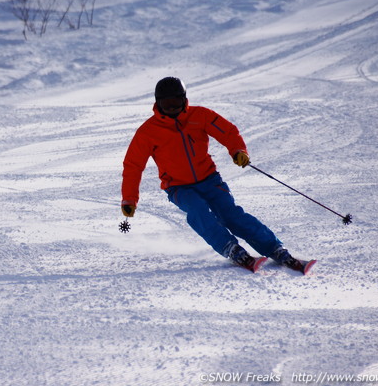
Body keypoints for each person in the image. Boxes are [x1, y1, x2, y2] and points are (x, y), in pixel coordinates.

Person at [121, 77, 309, 272]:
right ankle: (230, 247)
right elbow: (133, 166)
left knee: (231, 214)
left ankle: (274, 248)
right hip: (178, 187)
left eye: (175, 103)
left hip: (209, 179)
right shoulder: (148, 132)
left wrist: (238, 151)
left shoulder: (199, 115)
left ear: (184, 100)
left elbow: (227, 132)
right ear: (157, 103)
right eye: (165, 104)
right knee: (198, 211)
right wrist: (129, 200)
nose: (171, 108)